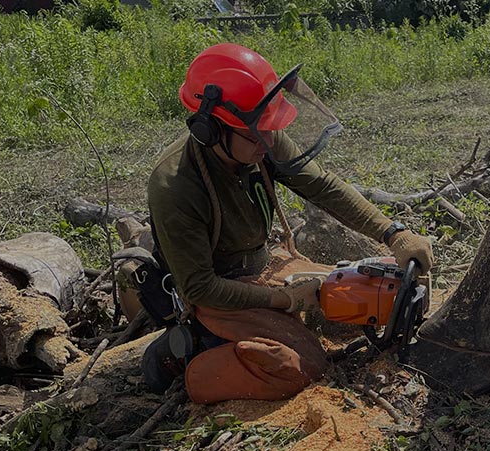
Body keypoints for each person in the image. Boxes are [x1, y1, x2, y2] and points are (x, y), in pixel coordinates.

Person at [138, 43, 433, 404]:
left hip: (266, 263)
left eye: (269, 128)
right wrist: (283, 300)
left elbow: (321, 185)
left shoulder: (255, 131)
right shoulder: (176, 186)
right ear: (210, 129)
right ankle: (189, 361)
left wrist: (393, 232)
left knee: (375, 291)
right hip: (218, 293)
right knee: (303, 366)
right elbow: (200, 287)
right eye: (257, 133)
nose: (269, 139)